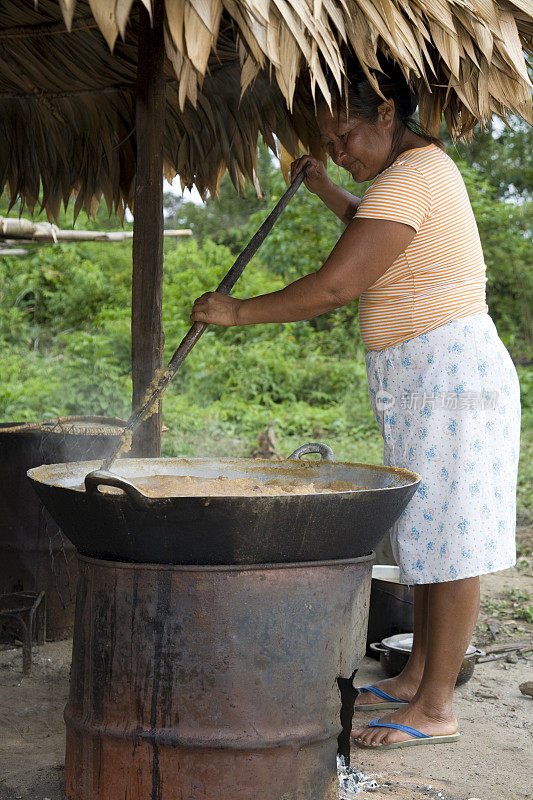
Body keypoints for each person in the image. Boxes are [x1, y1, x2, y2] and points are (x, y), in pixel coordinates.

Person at [190, 56, 521, 750]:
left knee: (451, 543)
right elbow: (374, 233)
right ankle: (416, 679)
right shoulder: (408, 178)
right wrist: (327, 188)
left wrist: (238, 312)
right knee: (427, 533)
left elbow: (340, 283)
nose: (338, 150)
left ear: (385, 114)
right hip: (426, 375)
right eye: (329, 145)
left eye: (343, 136)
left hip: (448, 376)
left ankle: (436, 709)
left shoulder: (414, 174)